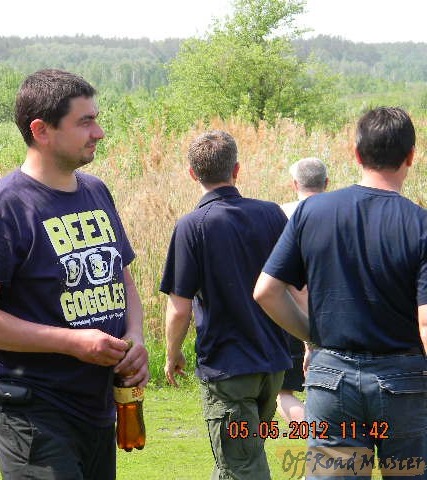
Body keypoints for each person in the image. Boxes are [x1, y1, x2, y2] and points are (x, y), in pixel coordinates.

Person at [0, 69, 149, 480]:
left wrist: (135, 338)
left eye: (96, 119)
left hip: (96, 406)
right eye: (85, 122)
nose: (99, 132)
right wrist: (72, 342)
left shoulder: (96, 191)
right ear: (41, 130)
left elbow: (123, 280)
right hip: (32, 408)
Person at [255, 107, 427, 479]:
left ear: (356, 153)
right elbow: (426, 322)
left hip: (331, 376)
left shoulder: (311, 212)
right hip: (403, 380)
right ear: (411, 156)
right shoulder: (420, 224)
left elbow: (266, 291)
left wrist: (313, 335)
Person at [160, 130, 291, 479]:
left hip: (228, 369)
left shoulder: (192, 226)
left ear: (192, 173)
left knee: (241, 467)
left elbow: (179, 308)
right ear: (236, 169)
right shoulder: (272, 214)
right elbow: (296, 286)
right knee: (238, 460)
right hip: (272, 365)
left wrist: (172, 354)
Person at [277, 157, 328, 424]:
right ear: (326, 183)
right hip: (332, 310)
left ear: (294, 184)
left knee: (283, 392)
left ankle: (318, 432)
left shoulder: (280, 214)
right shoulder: (340, 212)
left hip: (289, 313)